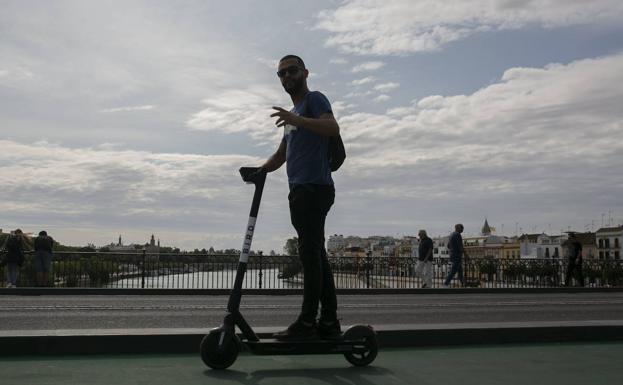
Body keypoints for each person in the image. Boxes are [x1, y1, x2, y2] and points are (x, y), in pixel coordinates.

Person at [260, 54, 341, 340]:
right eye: (280, 74)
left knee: (309, 254)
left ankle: (307, 323)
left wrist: (298, 118)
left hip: (314, 188)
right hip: (299, 190)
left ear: (305, 72)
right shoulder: (293, 116)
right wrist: (260, 170)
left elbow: (332, 128)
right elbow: (282, 154)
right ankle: (329, 322)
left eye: (291, 71)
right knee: (316, 254)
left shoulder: (315, 100)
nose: (286, 77)